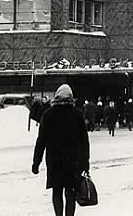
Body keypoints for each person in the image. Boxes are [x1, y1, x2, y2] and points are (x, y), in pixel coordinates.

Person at [32, 84, 89, 216]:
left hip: (54, 161)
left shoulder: (48, 114)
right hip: (73, 162)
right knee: (71, 193)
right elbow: (84, 142)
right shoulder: (77, 114)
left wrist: (36, 162)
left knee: (57, 191)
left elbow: (41, 141)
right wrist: (85, 162)